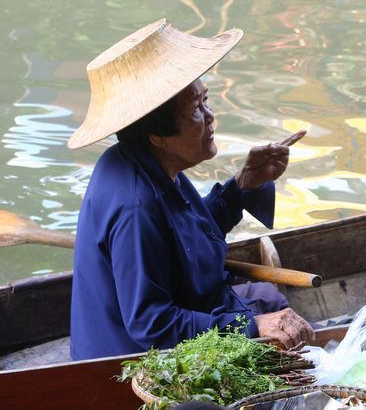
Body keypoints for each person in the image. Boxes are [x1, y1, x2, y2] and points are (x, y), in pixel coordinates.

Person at [68, 19, 314, 360]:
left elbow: (184, 236)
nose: (210, 116)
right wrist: (251, 327)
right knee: (277, 330)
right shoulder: (136, 207)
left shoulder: (143, 160)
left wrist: (242, 186)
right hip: (132, 365)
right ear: (158, 135)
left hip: (166, 319)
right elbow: (152, 325)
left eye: (206, 101)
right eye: (196, 110)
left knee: (270, 300)